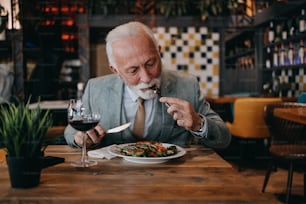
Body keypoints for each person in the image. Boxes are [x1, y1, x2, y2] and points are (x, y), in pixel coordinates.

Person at [64, 21, 231, 149]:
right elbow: (71, 131)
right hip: (111, 179)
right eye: (133, 70)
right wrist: (80, 138)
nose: (146, 77)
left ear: (159, 51)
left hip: (173, 178)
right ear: (115, 70)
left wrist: (198, 123)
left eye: (151, 63)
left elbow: (224, 138)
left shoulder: (187, 85)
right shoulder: (96, 88)